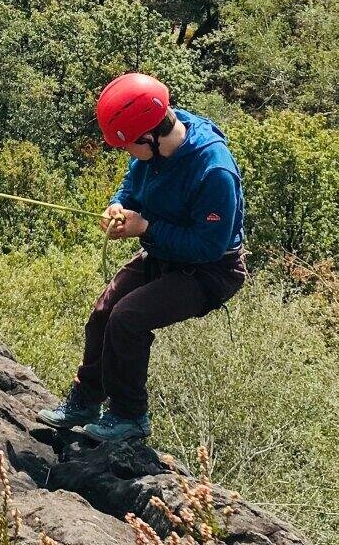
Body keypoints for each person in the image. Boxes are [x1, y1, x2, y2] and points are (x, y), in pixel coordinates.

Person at [39, 73, 248, 442]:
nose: (125, 153)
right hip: (163, 252)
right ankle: (86, 398)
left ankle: (130, 415)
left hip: (210, 271)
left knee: (128, 319)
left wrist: (146, 228)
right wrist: (119, 205)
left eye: (127, 146)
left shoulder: (213, 171)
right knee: (105, 310)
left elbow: (209, 245)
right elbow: (133, 185)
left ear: (149, 137)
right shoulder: (154, 142)